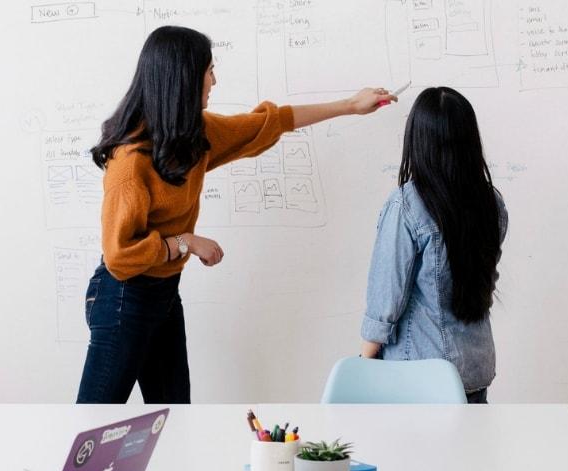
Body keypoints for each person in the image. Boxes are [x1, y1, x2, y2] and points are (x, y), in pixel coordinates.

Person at [77, 26, 397, 403]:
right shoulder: (130, 164)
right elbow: (119, 257)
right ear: (183, 78)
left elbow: (270, 122)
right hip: (121, 298)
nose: (214, 80)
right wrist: (185, 243)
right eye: (208, 70)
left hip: (163, 295)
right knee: (95, 422)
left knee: (175, 418)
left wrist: (350, 105)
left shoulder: (192, 137)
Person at [359, 87, 507, 404]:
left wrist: (363, 362)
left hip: (418, 375)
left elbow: (386, 298)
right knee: (466, 454)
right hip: (474, 370)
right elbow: (484, 282)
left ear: (418, 139)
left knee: (410, 456)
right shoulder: (490, 202)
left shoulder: (407, 205)